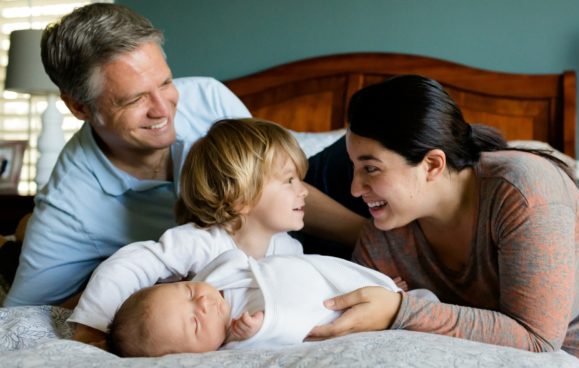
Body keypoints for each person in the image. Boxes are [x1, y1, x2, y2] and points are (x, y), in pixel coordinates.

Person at [4, 3, 366, 309]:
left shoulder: (207, 97)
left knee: (372, 144)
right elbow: (24, 314)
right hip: (243, 258)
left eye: (165, 82)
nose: (164, 110)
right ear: (80, 107)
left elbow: (280, 183)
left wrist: (369, 236)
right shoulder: (70, 205)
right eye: (134, 99)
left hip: (290, 211)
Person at [307, 75, 579, 367]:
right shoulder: (383, 234)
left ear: (432, 165)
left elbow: (538, 339)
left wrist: (400, 310)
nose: (355, 189)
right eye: (354, 168)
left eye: (371, 169)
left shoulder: (523, 190)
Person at [69, 118, 429, 352]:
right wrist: (92, 330)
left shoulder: (287, 248)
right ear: (241, 197)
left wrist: (372, 287)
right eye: (289, 181)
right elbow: (131, 265)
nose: (303, 192)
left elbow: (311, 293)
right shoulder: (200, 241)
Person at [108, 249, 434, 357]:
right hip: (334, 312)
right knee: (422, 318)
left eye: (190, 293)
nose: (205, 304)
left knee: (420, 301)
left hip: (332, 280)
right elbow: (294, 335)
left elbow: (246, 261)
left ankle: (397, 296)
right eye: (194, 323)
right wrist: (259, 328)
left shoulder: (219, 275)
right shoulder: (236, 342)